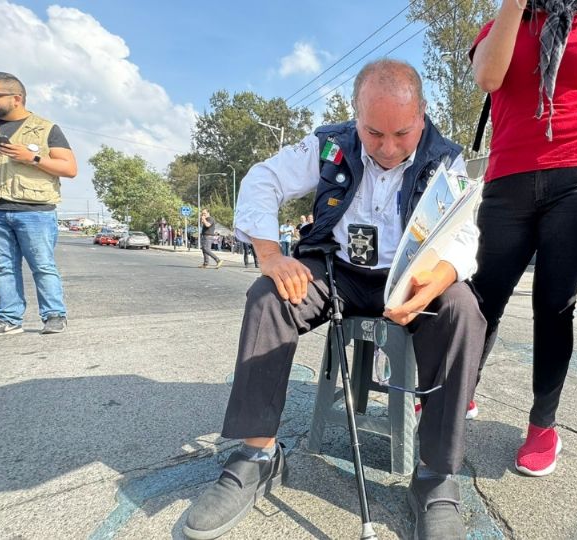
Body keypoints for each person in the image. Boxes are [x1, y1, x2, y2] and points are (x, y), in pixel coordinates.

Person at [183, 59, 485, 540]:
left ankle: (434, 478)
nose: (387, 149)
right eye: (373, 133)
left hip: (406, 277)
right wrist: (269, 254)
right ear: (355, 115)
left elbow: (465, 235)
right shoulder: (330, 143)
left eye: (401, 133)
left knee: (463, 309)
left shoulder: (447, 159)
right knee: (268, 298)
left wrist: (441, 276)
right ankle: (257, 455)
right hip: (335, 271)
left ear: (423, 114)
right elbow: (264, 178)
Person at [469, 0, 577, 477]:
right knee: (483, 296)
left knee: (554, 304)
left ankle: (543, 426)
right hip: (507, 180)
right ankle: (462, 389)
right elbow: (488, 78)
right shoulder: (501, 22)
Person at [0, 71, 77, 337]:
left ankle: (54, 315)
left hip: (35, 211)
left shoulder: (46, 128)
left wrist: (32, 158)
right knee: (3, 267)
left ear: (17, 98)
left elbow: (69, 168)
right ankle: (8, 319)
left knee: (43, 266)